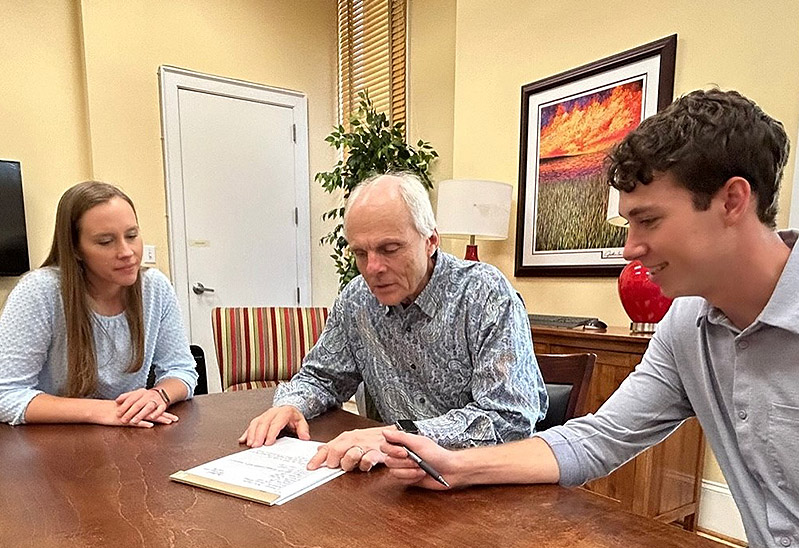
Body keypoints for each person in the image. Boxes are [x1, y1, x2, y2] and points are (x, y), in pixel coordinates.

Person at [381, 89, 799, 548]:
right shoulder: (686, 326)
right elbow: (598, 439)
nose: (630, 248)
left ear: (732, 200)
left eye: (648, 221)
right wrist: (452, 465)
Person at [240, 172, 547, 471]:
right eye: (360, 253)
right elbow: (322, 378)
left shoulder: (484, 293)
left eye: (389, 249)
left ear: (430, 241)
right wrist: (290, 405)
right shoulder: (357, 299)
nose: (373, 268)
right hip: (398, 481)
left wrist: (398, 435)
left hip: (483, 483)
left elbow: (510, 418)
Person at [0, 180, 198, 427]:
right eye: (105, 241)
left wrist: (158, 395)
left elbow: (182, 370)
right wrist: (101, 411)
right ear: (76, 249)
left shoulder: (154, 287)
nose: (127, 251)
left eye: (132, 235)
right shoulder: (39, 292)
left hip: (127, 433)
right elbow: (6, 395)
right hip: (49, 443)